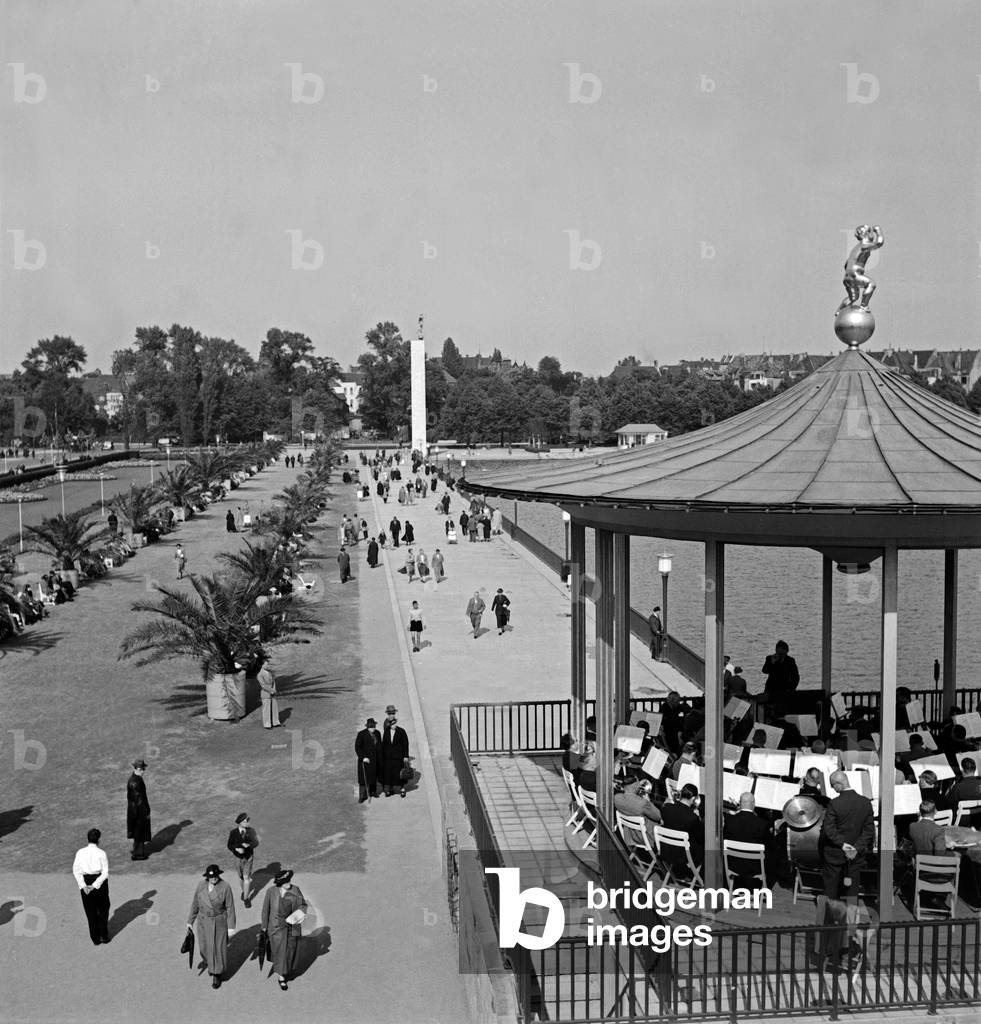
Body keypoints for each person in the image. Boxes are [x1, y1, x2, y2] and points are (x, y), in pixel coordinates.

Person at [819, 771, 875, 900]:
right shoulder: (865, 802)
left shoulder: (834, 803)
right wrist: (856, 847)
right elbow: (869, 830)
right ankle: (851, 916)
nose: (833, 789)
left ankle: (830, 916)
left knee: (831, 887)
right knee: (852, 888)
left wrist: (843, 844)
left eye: (833, 785)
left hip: (835, 853)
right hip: (856, 854)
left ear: (839, 784)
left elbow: (828, 829)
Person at [186, 864, 236, 989]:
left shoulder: (225, 887)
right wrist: (190, 921)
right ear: (207, 877)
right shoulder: (201, 885)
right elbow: (195, 903)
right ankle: (211, 964)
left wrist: (231, 927)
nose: (214, 879)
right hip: (203, 921)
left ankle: (216, 973)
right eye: (211, 877)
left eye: (216, 876)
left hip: (217, 922)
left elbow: (230, 907)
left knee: (217, 949)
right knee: (204, 948)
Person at [261, 869, 308, 991]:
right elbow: (266, 909)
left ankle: (282, 975)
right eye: (286, 881)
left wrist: (297, 915)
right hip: (275, 927)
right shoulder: (271, 891)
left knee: (289, 952)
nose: (289, 883)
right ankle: (282, 972)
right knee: (278, 952)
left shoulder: (295, 889)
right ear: (280, 883)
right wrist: (264, 926)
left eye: (289, 880)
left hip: (292, 927)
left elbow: (303, 905)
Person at [723, 793, 776, 884]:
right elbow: (771, 846)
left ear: (740, 803)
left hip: (732, 865)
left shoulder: (729, 820)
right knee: (774, 855)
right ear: (753, 804)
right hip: (755, 867)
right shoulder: (762, 824)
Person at [72, 827, 110, 945]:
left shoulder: (80, 852)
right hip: (99, 884)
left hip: (85, 882)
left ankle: (95, 939)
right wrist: (95, 885)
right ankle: (103, 935)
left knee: (90, 911)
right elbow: (105, 873)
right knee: (103, 909)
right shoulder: (101, 853)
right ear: (98, 840)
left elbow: (76, 870)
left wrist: (84, 886)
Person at [660, 784, 705, 868]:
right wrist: (698, 819)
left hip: (665, 850)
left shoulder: (666, 808)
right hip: (682, 856)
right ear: (693, 798)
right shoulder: (692, 817)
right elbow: (701, 837)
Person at [226, 812, 258, 907]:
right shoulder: (233, 833)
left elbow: (256, 842)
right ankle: (245, 891)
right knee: (241, 878)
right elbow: (229, 845)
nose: (247, 822)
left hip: (248, 858)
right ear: (240, 822)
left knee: (246, 878)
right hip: (237, 858)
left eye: (247, 820)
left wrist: (249, 845)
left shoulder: (251, 831)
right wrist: (236, 849)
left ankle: (246, 898)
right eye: (245, 821)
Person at [944, 757, 981, 825]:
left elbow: (947, 803)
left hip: (961, 822)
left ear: (962, 770)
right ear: (975, 769)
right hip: (978, 820)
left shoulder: (958, 787)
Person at [381, 712, 410, 797]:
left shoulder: (401, 731)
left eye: (394, 723)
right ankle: (391, 789)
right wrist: (383, 755)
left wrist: (406, 756)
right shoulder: (386, 731)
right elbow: (384, 744)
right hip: (389, 757)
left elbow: (405, 744)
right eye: (392, 724)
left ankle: (402, 789)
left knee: (400, 774)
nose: (393, 725)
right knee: (390, 774)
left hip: (399, 757)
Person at [127, 759, 151, 860]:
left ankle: (137, 852)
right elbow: (139, 800)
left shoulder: (136, 779)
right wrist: (145, 812)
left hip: (135, 812)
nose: (143, 771)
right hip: (138, 813)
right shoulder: (135, 782)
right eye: (142, 769)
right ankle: (138, 854)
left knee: (138, 833)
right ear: (138, 769)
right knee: (139, 833)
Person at [356, 717, 381, 802]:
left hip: (374, 760)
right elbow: (357, 747)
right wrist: (363, 757)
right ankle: (362, 796)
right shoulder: (361, 734)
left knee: (373, 777)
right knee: (363, 779)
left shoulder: (378, 733)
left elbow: (379, 746)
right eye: (371, 727)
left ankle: (373, 792)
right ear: (367, 727)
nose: (372, 728)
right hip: (365, 761)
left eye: (373, 726)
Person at [256, 652, 280, 729]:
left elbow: (273, 681)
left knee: (274, 707)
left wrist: (274, 690)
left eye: (268, 664)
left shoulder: (269, 673)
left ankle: (276, 722)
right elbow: (263, 685)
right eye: (266, 664)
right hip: (266, 694)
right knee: (266, 709)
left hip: (272, 693)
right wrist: (271, 691)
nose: (267, 665)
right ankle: (267, 724)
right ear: (262, 665)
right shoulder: (259, 675)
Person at [660, 691, 686, 755]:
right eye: (677, 701)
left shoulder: (676, 709)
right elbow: (671, 724)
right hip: (669, 737)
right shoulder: (664, 709)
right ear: (672, 701)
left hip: (675, 736)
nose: (678, 703)